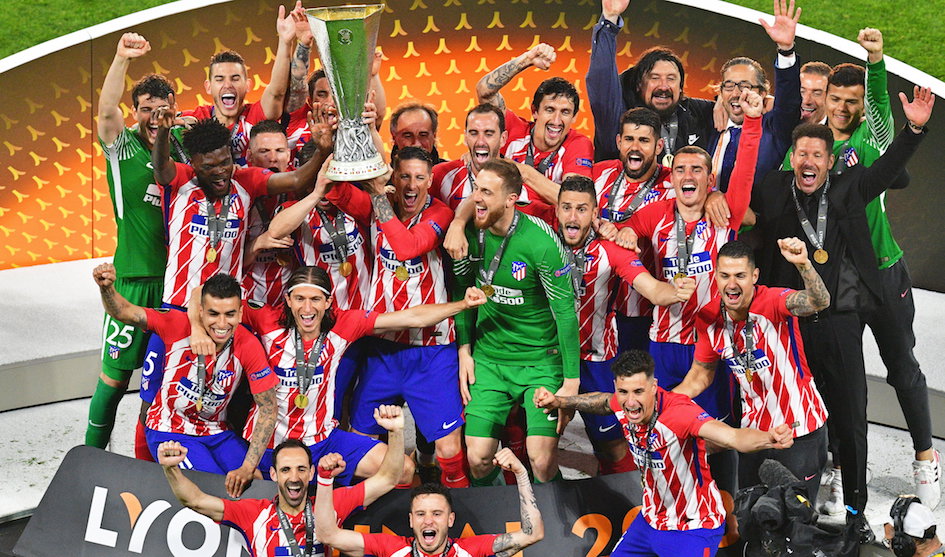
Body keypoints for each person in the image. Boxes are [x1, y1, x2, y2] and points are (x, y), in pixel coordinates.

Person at [750, 85, 934, 542]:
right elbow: (741, 206)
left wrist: (913, 129)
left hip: (838, 321)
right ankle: (792, 499)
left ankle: (855, 511)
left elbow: (890, 168)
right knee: (794, 416)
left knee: (852, 420)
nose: (808, 161)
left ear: (831, 161)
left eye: (817, 154)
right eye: (801, 153)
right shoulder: (774, 188)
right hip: (788, 325)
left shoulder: (851, 187)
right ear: (791, 158)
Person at [783, 28, 941, 515]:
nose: (844, 107)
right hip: (834, 287)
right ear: (825, 98)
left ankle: (924, 458)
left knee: (904, 372)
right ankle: (838, 466)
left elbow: (878, 107)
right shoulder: (810, 148)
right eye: (837, 98)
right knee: (839, 383)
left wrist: (875, 61)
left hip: (884, 275)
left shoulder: (873, 140)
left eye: (852, 100)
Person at [190, 263, 487, 485]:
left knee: (403, 470)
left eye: (316, 299)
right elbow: (201, 294)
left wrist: (461, 305)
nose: (307, 308)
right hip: (269, 447)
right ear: (288, 301)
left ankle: (373, 530)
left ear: (329, 302)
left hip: (322, 443)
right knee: (243, 488)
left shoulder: (344, 325)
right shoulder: (265, 318)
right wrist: (194, 326)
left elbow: (411, 317)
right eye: (300, 299)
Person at [534, 350, 794, 557]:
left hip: (693, 527)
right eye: (623, 392)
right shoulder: (622, 405)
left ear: (654, 387)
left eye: (638, 392)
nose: (631, 402)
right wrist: (561, 402)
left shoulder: (679, 413)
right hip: (649, 521)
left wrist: (768, 438)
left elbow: (733, 437)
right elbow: (603, 402)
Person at [326, 147, 468, 488]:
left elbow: (406, 248)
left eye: (420, 177)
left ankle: (463, 518)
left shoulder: (440, 213)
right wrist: (334, 148)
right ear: (393, 177)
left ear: (431, 181)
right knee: (361, 442)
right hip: (383, 349)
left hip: (431, 350)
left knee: (449, 450)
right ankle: (383, 520)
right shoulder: (378, 207)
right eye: (404, 175)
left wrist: (378, 198)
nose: (411, 184)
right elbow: (336, 191)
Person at [94, 265, 277, 497]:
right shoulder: (176, 324)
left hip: (217, 433)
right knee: (218, 491)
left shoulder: (248, 344)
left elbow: (269, 408)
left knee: (260, 486)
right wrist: (106, 288)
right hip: (169, 431)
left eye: (230, 314)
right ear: (200, 311)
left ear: (240, 313)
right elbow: (124, 311)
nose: (222, 324)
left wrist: (248, 467)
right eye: (213, 314)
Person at [556, 175, 696, 474]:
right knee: (540, 443)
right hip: (548, 357)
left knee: (612, 445)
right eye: (566, 207)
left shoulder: (611, 250)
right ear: (556, 210)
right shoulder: (542, 238)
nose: (572, 216)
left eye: (582, 209)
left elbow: (653, 290)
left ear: (595, 213)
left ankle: (620, 509)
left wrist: (674, 291)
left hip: (596, 359)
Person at [452, 158, 579, 485]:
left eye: (486, 193)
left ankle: (556, 523)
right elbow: (463, 295)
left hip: (539, 361)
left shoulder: (542, 242)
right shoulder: (468, 232)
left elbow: (565, 313)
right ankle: (500, 519)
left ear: (511, 199)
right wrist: (465, 350)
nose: (476, 199)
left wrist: (571, 382)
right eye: (476, 190)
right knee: (478, 459)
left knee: (541, 460)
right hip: (489, 360)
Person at [87, 32, 186, 449]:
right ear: (136, 111)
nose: (152, 117)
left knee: (159, 382)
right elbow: (106, 110)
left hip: (174, 285)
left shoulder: (181, 147)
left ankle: (146, 467)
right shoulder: (120, 146)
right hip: (130, 278)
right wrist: (121, 57)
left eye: (161, 109)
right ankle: (89, 460)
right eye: (145, 109)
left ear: (173, 110)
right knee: (114, 378)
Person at [675, 239, 830, 500]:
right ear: (715, 275)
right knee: (750, 518)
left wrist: (803, 264)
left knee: (795, 524)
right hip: (754, 435)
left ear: (754, 276)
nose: (731, 284)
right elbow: (700, 375)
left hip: (799, 432)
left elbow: (818, 302)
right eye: (724, 275)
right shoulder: (709, 318)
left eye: (740, 276)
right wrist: (666, 403)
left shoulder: (772, 301)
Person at [157, 404, 408, 557]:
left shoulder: (331, 503)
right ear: (274, 475)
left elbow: (387, 478)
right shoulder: (254, 514)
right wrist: (171, 470)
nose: (294, 477)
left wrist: (395, 432)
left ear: (311, 473)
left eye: (301, 469)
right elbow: (195, 500)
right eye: (286, 470)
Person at [314, 448, 544, 557]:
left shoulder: (468, 550)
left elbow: (533, 534)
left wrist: (522, 474)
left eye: (437, 513)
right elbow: (328, 535)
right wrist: (324, 479)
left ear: (450, 519)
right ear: (411, 520)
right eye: (421, 514)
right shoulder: (393, 548)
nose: (428, 521)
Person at [476, 44, 594, 224]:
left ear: (575, 117)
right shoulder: (513, 128)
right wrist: (527, 60)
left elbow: (576, 200)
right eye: (549, 109)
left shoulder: (579, 144)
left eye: (565, 112)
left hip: (546, 234)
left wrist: (522, 171)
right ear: (535, 111)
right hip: (500, 224)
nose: (556, 120)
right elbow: (485, 90)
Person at [592, 107, 676, 354]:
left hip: (644, 310)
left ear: (659, 146)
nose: (635, 147)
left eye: (644, 140)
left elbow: (710, 196)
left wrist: (714, 199)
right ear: (619, 142)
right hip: (596, 304)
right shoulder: (599, 173)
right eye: (629, 139)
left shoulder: (674, 183)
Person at [587, 0, 714, 162]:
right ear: (639, 84)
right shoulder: (618, 117)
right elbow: (601, 80)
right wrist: (609, 21)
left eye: (671, 78)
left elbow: (740, 108)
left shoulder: (696, 112)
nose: (663, 86)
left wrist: (724, 101)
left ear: (681, 87)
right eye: (655, 78)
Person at [181, 3, 301, 166]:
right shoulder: (196, 119)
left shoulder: (256, 117)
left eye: (235, 78)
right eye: (220, 79)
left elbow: (277, 92)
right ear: (208, 87)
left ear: (248, 85)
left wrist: (285, 42)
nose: (228, 84)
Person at [707, 0, 802, 191]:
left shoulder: (775, 129)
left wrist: (786, 50)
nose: (735, 94)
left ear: (763, 93)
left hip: (756, 219)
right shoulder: (708, 123)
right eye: (729, 86)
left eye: (744, 86)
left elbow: (788, 103)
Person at [242, 120, 297, 308]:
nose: (273, 158)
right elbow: (223, 264)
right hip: (246, 303)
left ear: (289, 155)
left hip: (290, 304)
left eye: (280, 151)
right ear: (249, 156)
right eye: (264, 151)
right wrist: (258, 243)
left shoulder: (299, 191)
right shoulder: (238, 194)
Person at [433, 104, 508, 211]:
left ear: (503, 138)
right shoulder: (441, 176)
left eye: (488, 134)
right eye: (474, 133)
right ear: (465, 137)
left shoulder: (520, 180)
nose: (480, 142)